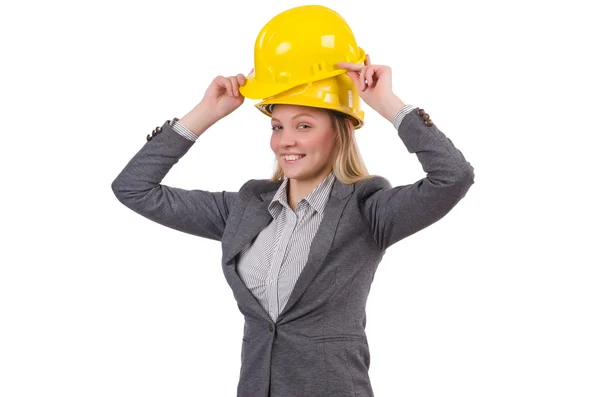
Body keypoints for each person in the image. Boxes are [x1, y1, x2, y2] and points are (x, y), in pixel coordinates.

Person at [111, 55, 475, 397]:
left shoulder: (368, 210)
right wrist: (205, 113)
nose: (286, 140)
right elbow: (134, 188)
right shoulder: (244, 208)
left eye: (304, 125)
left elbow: (453, 177)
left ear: (341, 130)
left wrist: (389, 104)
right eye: (277, 126)